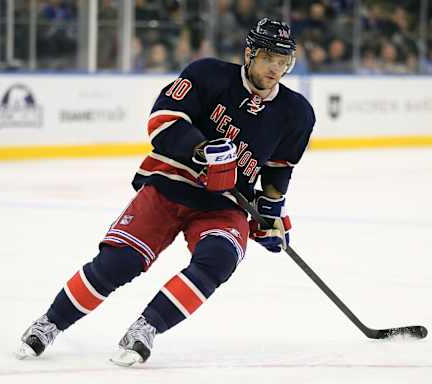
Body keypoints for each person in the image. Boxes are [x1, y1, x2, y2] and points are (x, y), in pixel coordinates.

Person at [16, 17, 315, 367]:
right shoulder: (208, 74)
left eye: (284, 61)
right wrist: (203, 150)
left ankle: (146, 328)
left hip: (224, 204)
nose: (276, 69)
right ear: (249, 53)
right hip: (171, 182)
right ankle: (50, 322)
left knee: (219, 258)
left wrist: (271, 216)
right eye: (269, 58)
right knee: (119, 262)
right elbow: (163, 120)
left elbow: (278, 171)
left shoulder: (297, 114)